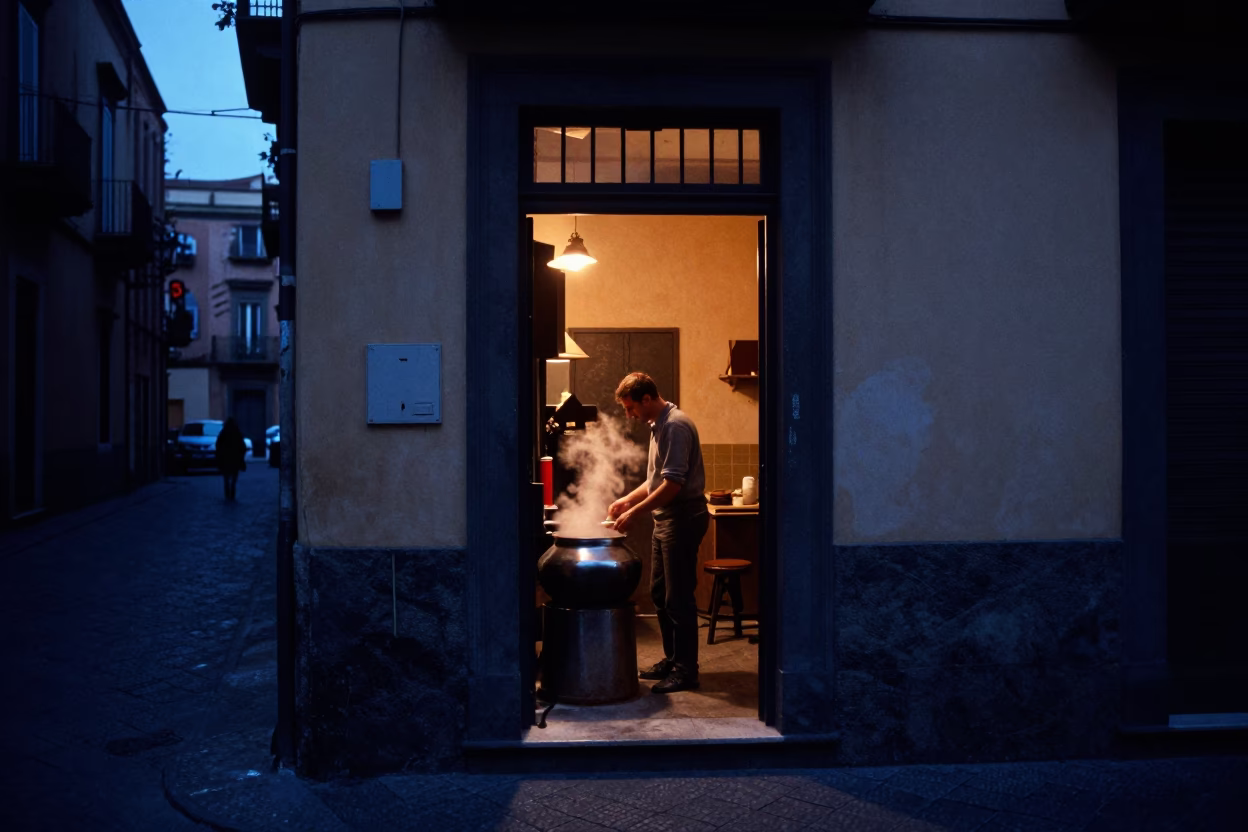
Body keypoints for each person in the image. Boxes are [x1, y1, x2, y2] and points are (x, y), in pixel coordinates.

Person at [608, 372, 708, 694]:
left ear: (647, 399)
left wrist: (635, 513)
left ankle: (686, 671)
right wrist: (625, 500)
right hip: (665, 519)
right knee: (660, 593)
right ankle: (672, 659)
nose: (629, 415)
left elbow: (673, 485)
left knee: (678, 598)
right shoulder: (658, 426)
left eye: (631, 408)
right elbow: (656, 482)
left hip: (682, 519)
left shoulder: (675, 426)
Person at [216, 418, 248, 501]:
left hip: (226, 459)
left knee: (226, 478)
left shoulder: (223, 433)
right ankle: (232, 493)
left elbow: (218, 445)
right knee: (234, 478)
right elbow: (243, 446)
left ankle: (227, 494)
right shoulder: (237, 433)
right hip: (235, 459)